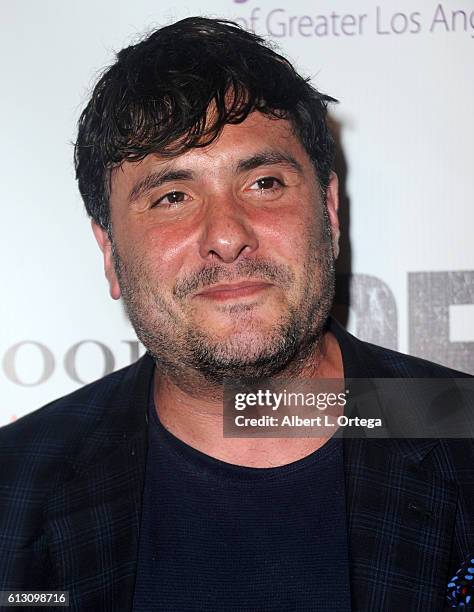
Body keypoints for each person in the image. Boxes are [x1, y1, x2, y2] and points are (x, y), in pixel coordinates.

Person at [0, 16, 472, 612]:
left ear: (329, 212)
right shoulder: (13, 494)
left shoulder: (462, 433)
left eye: (264, 183)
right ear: (109, 251)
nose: (226, 236)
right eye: (173, 197)